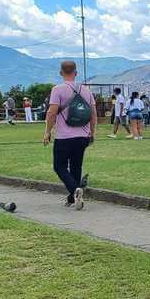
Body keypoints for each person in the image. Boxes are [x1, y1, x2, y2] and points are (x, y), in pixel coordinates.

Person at [43, 60, 96, 210]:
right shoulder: (86, 90)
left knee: (59, 166)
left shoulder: (57, 90)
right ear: (76, 72)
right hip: (82, 136)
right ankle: (73, 198)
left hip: (64, 136)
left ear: (61, 72)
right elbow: (93, 114)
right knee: (76, 166)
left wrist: (47, 131)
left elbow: (52, 112)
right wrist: (92, 132)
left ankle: (75, 191)